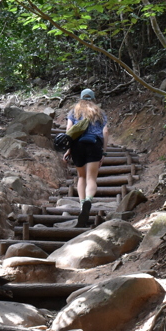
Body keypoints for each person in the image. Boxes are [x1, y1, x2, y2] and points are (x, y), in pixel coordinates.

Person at [64, 88, 109, 227]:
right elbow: (106, 131)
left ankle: (82, 203)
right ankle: (89, 200)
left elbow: (69, 130)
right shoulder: (99, 112)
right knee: (91, 178)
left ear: (81, 98)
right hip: (94, 144)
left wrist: (69, 149)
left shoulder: (74, 111)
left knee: (81, 177)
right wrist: (104, 151)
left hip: (77, 145)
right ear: (93, 98)